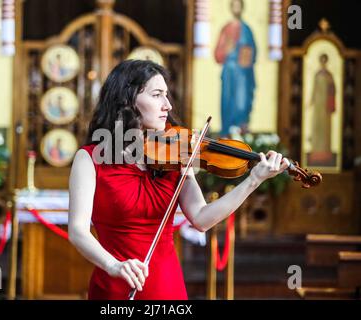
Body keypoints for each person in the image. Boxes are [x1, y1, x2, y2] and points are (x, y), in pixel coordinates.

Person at [68, 60, 288, 300]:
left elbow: (202, 218)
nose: (167, 105)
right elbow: (78, 231)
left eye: (167, 95)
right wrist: (114, 266)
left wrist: (253, 180)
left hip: (165, 285)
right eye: (157, 95)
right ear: (128, 100)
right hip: (113, 286)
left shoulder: (177, 155)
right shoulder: (89, 159)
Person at [214, 0, 256, 136]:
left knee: (241, 102)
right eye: (234, 6)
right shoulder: (226, 29)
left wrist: (245, 57)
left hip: (243, 74)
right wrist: (227, 50)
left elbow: (253, 52)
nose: (236, 9)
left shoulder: (247, 29)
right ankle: (227, 132)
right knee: (228, 102)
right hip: (229, 72)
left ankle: (240, 131)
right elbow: (218, 54)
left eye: (239, 6)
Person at [308, 53, 336, 166]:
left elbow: (333, 90)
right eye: (321, 60)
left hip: (325, 106)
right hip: (318, 106)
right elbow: (314, 89)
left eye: (325, 61)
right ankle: (315, 152)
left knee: (325, 130)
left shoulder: (329, 75)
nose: (323, 63)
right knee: (316, 127)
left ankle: (325, 153)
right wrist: (311, 101)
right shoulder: (317, 74)